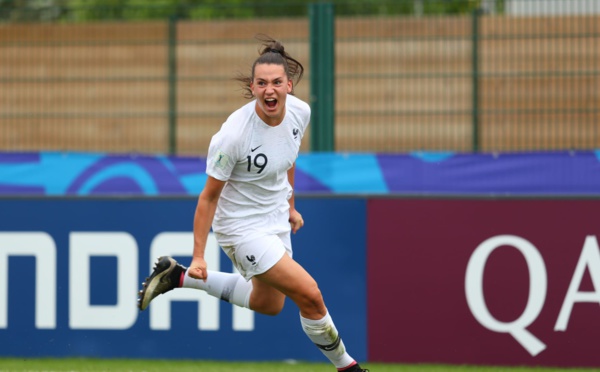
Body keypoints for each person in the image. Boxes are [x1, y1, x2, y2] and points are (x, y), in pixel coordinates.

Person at [137, 34, 368, 372]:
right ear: (253, 86)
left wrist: (290, 205)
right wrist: (200, 254)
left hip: (274, 217)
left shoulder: (300, 113)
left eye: (276, 82)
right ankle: (348, 367)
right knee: (310, 294)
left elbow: (287, 159)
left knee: (269, 303)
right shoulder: (233, 136)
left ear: (289, 85)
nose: (269, 90)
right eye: (261, 83)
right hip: (241, 227)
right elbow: (208, 197)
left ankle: (179, 278)